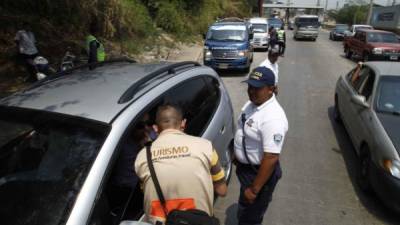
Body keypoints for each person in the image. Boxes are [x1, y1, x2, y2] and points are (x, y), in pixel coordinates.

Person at [135, 104, 227, 225]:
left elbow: (147, 190)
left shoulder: (142, 157)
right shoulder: (205, 147)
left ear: (155, 128)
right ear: (183, 123)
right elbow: (222, 190)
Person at [234, 66, 288, 225]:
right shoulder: (253, 103)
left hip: (258, 175)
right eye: (250, 86)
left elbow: (271, 157)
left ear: (271, 89)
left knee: (251, 217)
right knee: (244, 209)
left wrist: (254, 189)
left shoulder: (273, 117)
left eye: (257, 88)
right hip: (246, 170)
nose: (251, 91)